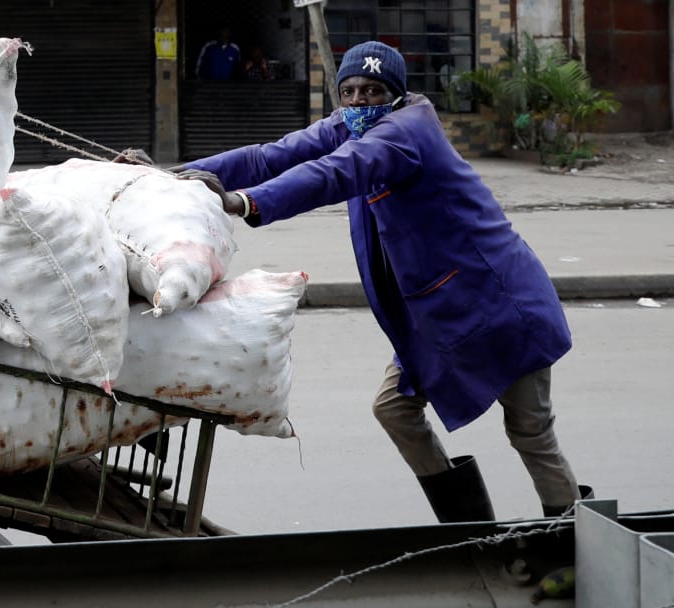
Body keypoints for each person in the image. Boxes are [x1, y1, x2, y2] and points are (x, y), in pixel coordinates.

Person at [180, 41, 585, 522]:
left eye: (372, 91)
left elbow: (335, 172)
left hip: (499, 307)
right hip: (437, 318)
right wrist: (181, 177)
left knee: (530, 430)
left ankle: (569, 541)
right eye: (348, 91)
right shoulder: (350, 125)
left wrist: (243, 202)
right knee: (394, 409)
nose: (358, 103)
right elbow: (274, 156)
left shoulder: (407, 132)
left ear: (395, 94)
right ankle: (469, 528)